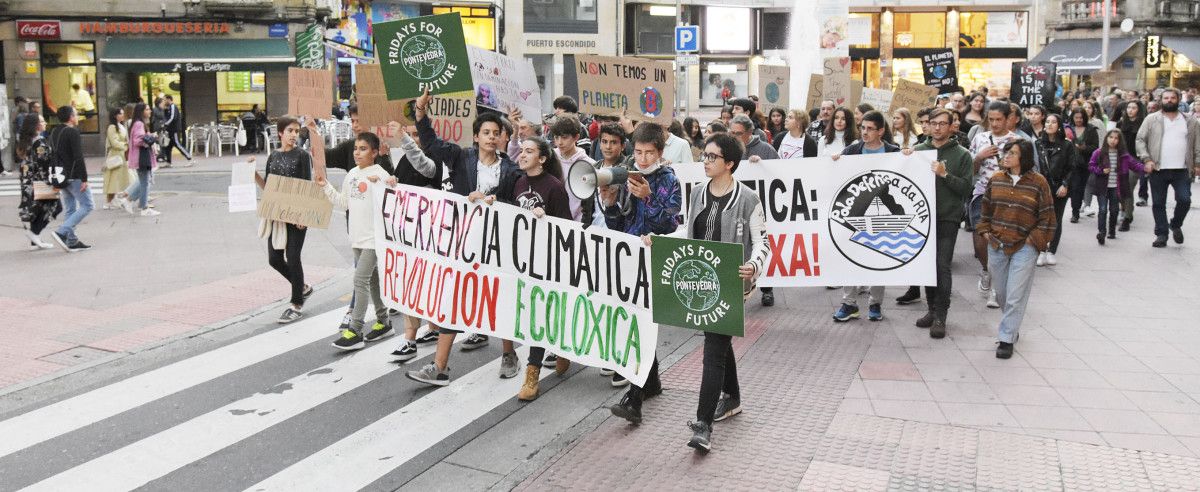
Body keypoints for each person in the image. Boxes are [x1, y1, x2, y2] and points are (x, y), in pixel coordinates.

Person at [621, 132, 769, 453]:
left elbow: (762, 243)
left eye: (712, 158)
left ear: (729, 163)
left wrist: (754, 265)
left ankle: (703, 424)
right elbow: (686, 230)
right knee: (718, 337)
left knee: (713, 347)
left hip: (731, 282)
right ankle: (733, 398)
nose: (705, 161)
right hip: (701, 279)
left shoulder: (748, 199)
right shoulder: (699, 192)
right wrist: (659, 240)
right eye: (705, 156)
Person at [407, 90, 523, 386]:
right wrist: (421, 113)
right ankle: (439, 366)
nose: (491, 137)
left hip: (497, 246)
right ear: (475, 137)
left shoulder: (509, 169)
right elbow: (431, 143)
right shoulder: (460, 157)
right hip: (464, 243)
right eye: (486, 132)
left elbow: (516, 203)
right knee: (453, 299)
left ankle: (509, 353)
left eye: (496, 133)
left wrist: (496, 201)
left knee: (500, 299)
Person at [600, 122, 682, 389]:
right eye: (638, 152)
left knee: (644, 318)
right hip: (629, 252)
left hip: (653, 256)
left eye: (649, 152)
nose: (643, 158)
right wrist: (610, 204)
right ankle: (647, 378)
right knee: (631, 314)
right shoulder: (627, 176)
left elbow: (671, 224)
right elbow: (619, 224)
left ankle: (639, 378)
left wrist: (648, 198)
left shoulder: (669, 179)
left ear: (659, 152)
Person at [975, 139, 1056, 359]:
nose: (1007, 156)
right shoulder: (996, 179)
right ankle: (1012, 325)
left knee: (1015, 295)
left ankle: (1006, 338)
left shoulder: (1039, 183)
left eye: (1012, 153)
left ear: (1024, 157)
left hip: (1025, 246)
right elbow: (986, 209)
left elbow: (1047, 216)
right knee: (1001, 293)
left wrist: (1034, 240)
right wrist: (984, 230)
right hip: (997, 243)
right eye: (1006, 152)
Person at [315, 132, 394, 350]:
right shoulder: (351, 174)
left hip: (373, 240)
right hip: (357, 239)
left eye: (363, 149)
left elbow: (394, 198)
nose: (357, 153)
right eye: (356, 149)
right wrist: (325, 186)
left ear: (375, 152)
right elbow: (343, 203)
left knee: (360, 281)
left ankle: (356, 329)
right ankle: (384, 322)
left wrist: (387, 184)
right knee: (372, 280)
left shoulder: (380, 173)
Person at [829, 111, 902, 322]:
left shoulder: (893, 152)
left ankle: (875, 303)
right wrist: (834, 162)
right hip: (855, 211)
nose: (865, 132)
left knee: (879, 256)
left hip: (882, 211)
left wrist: (908, 157)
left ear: (881, 131)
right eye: (863, 128)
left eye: (870, 129)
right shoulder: (852, 150)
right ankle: (849, 303)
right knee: (850, 255)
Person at [911, 109, 973, 338]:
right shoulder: (918, 151)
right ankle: (931, 309)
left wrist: (945, 175)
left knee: (942, 266)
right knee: (927, 266)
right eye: (932, 123)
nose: (937, 128)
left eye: (942, 124)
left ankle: (941, 316)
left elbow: (966, 188)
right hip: (922, 219)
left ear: (951, 127)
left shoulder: (962, 155)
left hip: (947, 217)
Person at [253, 116, 318, 324]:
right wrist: (253, 176)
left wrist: (303, 215)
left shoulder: (302, 156)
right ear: (280, 133)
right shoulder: (273, 157)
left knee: (293, 256)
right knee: (274, 258)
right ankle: (303, 288)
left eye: (297, 131)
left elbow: (307, 186)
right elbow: (269, 188)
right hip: (277, 215)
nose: (293, 135)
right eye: (290, 131)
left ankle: (296, 304)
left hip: (297, 215)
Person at [968, 101, 1021, 309]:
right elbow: (969, 168)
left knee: (1000, 240)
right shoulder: (980, 138)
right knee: (980, 239)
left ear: (1008, 119)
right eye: (991, 119)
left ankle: (996, 288)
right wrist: (979, 157)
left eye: (999, 119)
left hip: (1007, 195)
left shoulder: (1016, 141)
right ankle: (986, 270)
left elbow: (1023, 171)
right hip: (982, 192)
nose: (995, 123)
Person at [1136, 88, 1200, 248]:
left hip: (1182, 169)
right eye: (1166, 98)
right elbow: (1140, 140)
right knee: (1158, 203)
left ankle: (1175, 224)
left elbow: (1197, 144)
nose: (1169, 100)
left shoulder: (1190, 121)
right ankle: (1162, 234)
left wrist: (1198, 163)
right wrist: (1147, 159)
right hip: (1158, 168)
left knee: (1185, 200)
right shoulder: (1152, 119)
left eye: (1172, 98)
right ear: (1161, 100)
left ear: (1178, 100)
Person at [48, 105, 93, 252]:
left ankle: (72, 240)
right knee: (87, 205)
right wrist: (84, 178)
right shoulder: (72, 132)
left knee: (71, 208)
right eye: (75, 114)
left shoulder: (54, 131)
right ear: (70, 117)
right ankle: (62, 232)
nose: (77, 116)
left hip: (61, 175)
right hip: (74, 175)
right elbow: (78, 156)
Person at [1088, 130, 1145, 244]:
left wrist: (1145, 168)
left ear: (1120, 141)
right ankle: (1102, 232)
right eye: (1111, 137)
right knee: (1103, 210)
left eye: (1116, 138)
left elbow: (1134, 165)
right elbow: (1091, 165)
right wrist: (1101, 170)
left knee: (1114, 210)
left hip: (1116, 187)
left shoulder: (1123, 155)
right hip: (1103, 187)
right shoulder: (1099, 152)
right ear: (1106, 138)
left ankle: (1112, 231)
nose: (1113, 140)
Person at [16, 114, 61, 250]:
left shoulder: (26, 141)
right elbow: (43, 162)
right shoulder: (40, 142)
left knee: (37, 209)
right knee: (56, 207)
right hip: (41, 181)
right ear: (36, 125)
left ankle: (34, 242)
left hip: (28, 180)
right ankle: (34, 234)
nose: (45, 123)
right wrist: (53, 181)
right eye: (42, 121)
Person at [1037, 113, 1074, 267]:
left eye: (1053, 122)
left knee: (1056, 219)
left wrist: (1065, 184)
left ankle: (1052, 250)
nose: (1049, 124)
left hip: (1059, 187)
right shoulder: (1038, 144)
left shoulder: (1067, 145)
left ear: (1059, 125)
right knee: (1040, 219)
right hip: (1041, 187)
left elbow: (1071, 167)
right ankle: (1040, 250)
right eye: (1047, 122)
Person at [125, 103, 161, 217]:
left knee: (143, 182)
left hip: (140, 157)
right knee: (145, 183)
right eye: (147, 109)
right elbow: (138, 140)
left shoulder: (138, 123)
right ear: (141, 111)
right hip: (141, 157)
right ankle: (144, 208)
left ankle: (129, 200)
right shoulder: (139, 124)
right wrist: (152, 137)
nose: (150, 111)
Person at [1067, 108, 1100, 222]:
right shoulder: (1068, 129)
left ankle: (1081, 204)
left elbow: (1095, 147)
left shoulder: (1091, 130)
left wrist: (1084, 148)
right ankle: (1075, 212)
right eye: (1076, 117)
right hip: (1072, 164)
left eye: (1081, 117)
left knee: (1082, 188)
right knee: (1075, 188)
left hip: (1086, 164)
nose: (1078, 120)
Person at [1118, 101, 1150, 209]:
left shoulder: (1144, 124)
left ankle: (1126, 212)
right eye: (1129, 107)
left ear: (1139, 110)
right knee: (1120, 185)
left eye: (1133, 108)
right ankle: (1123, 207)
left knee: (1128, 184)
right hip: (1121, 158)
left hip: (1136, 159)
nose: (1130, 110)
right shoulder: (1121, 123)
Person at [102, 107, 131, 210]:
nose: (123, 115)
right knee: (113, 179)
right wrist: (126, 145)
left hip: (121, 155)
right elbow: (114, 143)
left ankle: (113, 199)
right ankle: (109, 201)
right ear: (115, 115)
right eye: (121, 114)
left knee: (118, 179)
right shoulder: (112, 127)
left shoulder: (120, 126)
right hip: (115, 155)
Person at [158, 95, 195, 168]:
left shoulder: (173, 106)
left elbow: (172, 117)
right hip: (170, 129)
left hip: (174, 129)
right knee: (168, 146)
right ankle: (168, 162)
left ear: (169, 100)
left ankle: (190, 158)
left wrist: (165, 124)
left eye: (165, 100)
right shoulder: (168, 108)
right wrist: (163, 109)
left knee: (177, 144)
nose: (164, 101)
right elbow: (166, 116)